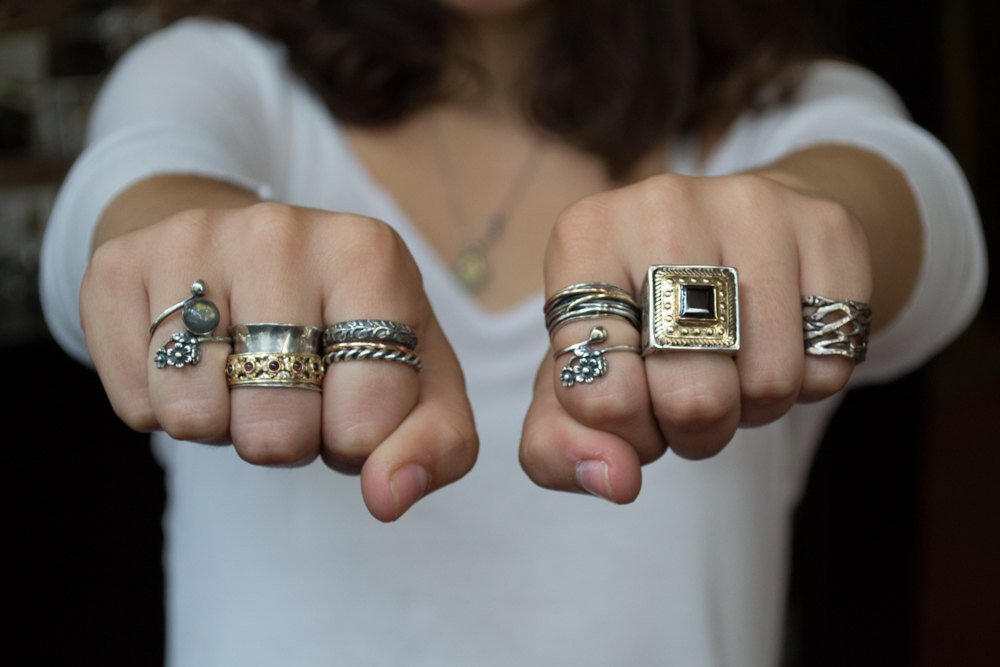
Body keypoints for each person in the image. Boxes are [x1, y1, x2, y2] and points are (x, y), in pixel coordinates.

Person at [39, 0, 986, 665]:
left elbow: (921, 218)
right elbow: (122, 203)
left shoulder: (782, 108)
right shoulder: (215, 74)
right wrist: (188, 245)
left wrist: (798, 214)